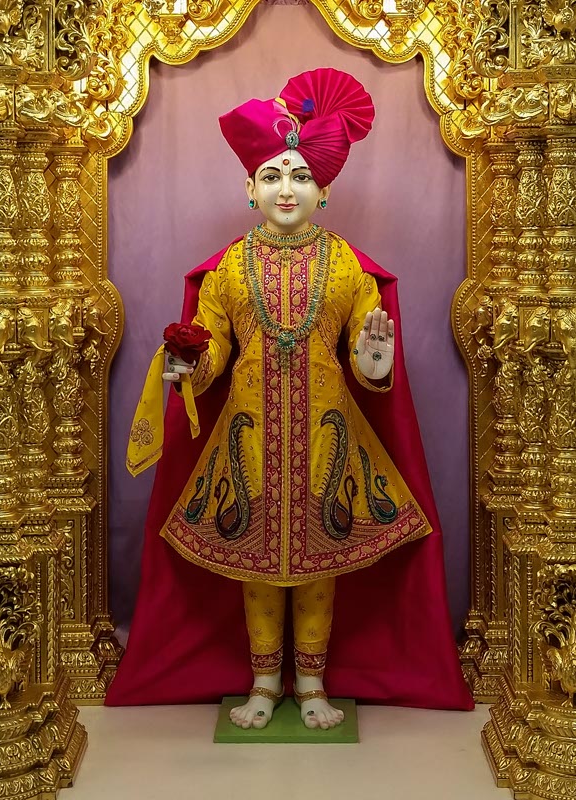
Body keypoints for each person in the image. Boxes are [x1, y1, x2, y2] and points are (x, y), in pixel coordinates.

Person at [107, 68, 473, 723]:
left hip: (327, 444)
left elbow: (365, 356)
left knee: (317, 565)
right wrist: (189, 365)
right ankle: (262, 683)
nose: (285, 188)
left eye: (300, 176)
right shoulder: (227, 269)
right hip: (247, 441)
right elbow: (214, 348)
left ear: (323, 192)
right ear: (248, 188)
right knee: (255, 565)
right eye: (271, 176)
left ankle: (311, 685)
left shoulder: (347, 266)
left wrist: (373, 362)